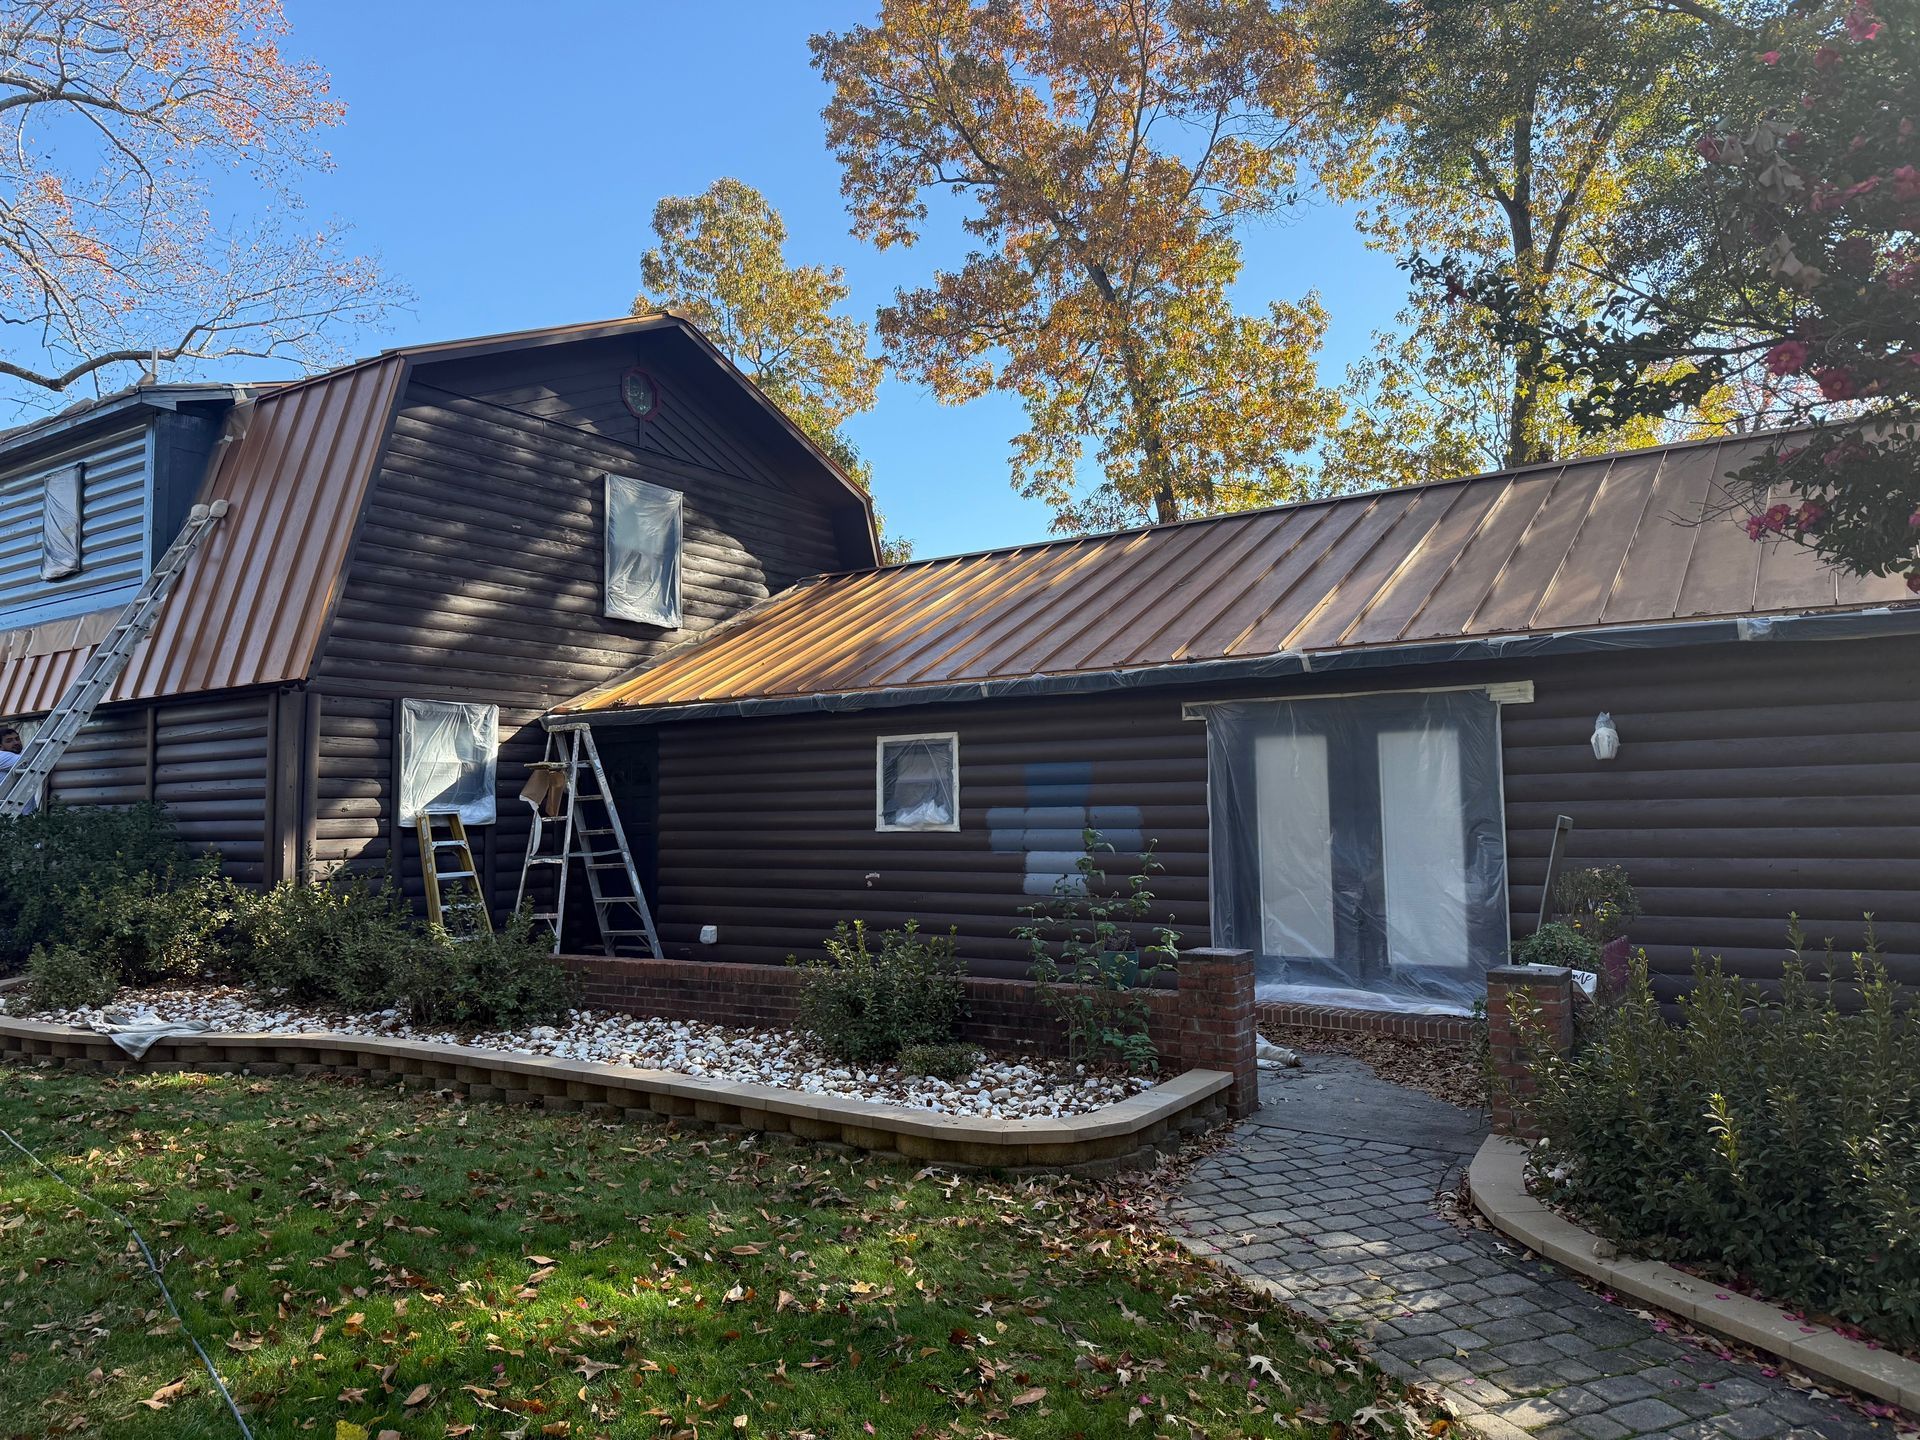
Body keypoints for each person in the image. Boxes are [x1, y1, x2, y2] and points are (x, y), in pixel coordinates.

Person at [0, 725, 35, 814]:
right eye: (9, 741)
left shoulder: (18, 755)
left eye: (17, 738)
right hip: (7, 816)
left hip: (25, 815)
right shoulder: (2, 756)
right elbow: (33, 761)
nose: (16, 742)